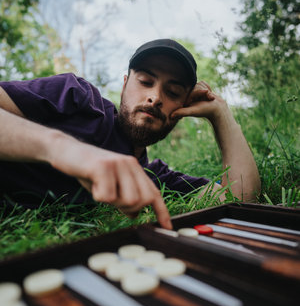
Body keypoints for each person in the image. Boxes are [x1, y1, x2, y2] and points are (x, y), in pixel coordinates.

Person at [0, 39, 261, 229]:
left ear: (182, 108)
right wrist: (62, 149)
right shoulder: (77, 97)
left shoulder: (152, 179)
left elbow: (241, 198)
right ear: (125, 85)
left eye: (172, 92)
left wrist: (221, 115)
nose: (155, 97)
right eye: (146, 82)